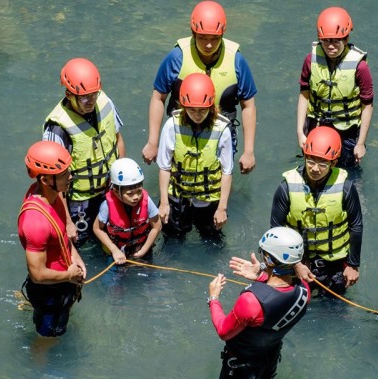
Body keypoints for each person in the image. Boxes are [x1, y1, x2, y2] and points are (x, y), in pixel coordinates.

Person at [142, 0, 257, 174]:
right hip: (182, 131)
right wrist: (153, 142)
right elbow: (158, 97)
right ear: (193, 32)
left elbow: (248, 105)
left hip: (220, 135)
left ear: (222, 34)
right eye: (202, 38)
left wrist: (248, 152)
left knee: (219, 185)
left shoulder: (236, 60)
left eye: (215, 39)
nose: (209, 44)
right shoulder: (176, 57)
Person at [208, 227, 310, 379]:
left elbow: (223, 332)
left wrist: (213, 298)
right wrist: (262, 276)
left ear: (269, 259)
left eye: (263, 253)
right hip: (270, 356)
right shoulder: (304, 291)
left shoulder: (251, 302)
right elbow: (280, 295)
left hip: (241, 368)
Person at [270, 126, 363, 296]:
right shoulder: (286, 188)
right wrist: (296, 264)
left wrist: (353, 265)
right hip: (296, 260)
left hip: (335, 263)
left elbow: (356, 226)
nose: (314, 168)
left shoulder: (347, 188)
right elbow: (276, 229)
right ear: (304, 156)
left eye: (322, 163)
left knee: (335, 310)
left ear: (333, 162)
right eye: (311, 160)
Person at [43, 57, 126, 245]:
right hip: (78, 204)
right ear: (69, 94)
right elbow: (53, 181)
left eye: (94, 94)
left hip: (109, 190)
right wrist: (67, 222)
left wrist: (121, 183)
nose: (90, 101)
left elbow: (118, 140)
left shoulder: (105, 102)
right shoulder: (57, 128)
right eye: (84, 97)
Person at [18, 141, 86, 337]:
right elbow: (38, 274)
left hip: (62, 280)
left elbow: (62, 231)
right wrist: (70, 275)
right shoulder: (36, 223)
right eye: (64, 174)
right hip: (50, 291)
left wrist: (76, 256)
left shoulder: (50, 194)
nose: (70, 176)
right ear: (46, 180)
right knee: (47, 339)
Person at [157, 72, 233, 239]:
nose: (197, 114)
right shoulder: (171, 125)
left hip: (207, 200)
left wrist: (222, 208)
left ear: (211, 106)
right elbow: (164, 166)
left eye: (202, 110)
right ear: (183, 106)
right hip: (177, 197)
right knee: (172, 240)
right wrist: (163, 203)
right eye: (192, 110)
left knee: (212, 240)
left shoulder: (222, 130)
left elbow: (227, 171)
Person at [296, 6, 374, 168]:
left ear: (345, 39)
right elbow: (304, 95)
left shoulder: (360, 67)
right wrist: (300, 132)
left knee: (349, 171)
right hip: (316, 123)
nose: (330, 46)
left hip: (348, 129)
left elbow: (367, 105)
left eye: (336, 41)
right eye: (326, 40)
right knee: (313, 167)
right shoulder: (311, 60)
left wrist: (361, 143)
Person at [93, 158, 162, 264]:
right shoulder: (107, 206)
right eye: (130, 193)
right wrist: (114, 250)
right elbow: (97, 228)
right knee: (112, 279)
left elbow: (157, 226)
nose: (136, 197)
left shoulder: (146, 200)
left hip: (141, 249)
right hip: (116, 252)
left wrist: (144, 250)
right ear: (116, 192)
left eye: (139, 191)